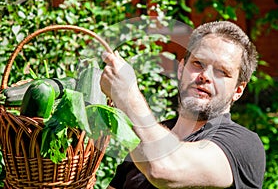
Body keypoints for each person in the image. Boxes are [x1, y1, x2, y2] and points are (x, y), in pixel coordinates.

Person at [100, 21, 266, 188]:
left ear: (238, 90)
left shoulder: (243, 145)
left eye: (221, 71)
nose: (205, 76)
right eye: (198, 63)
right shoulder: (148, 135)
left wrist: (127, 95)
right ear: (181, 69)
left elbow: (163, 169)